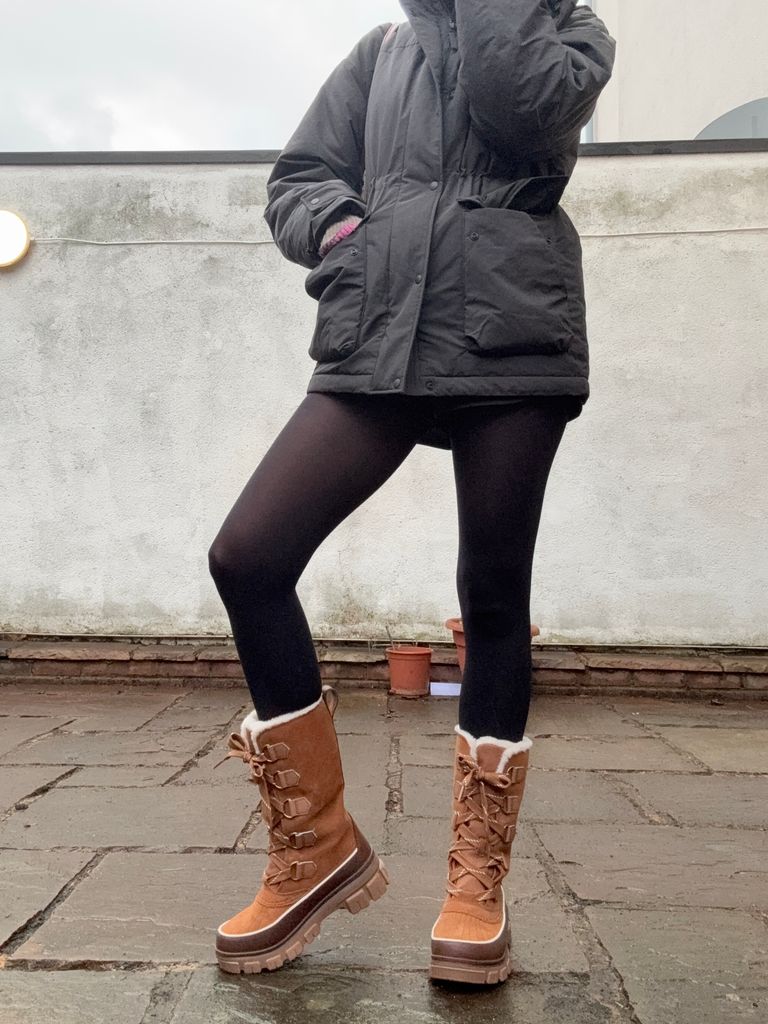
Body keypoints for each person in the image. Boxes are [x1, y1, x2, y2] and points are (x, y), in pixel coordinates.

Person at [208, 0, 615, 986]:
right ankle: (315, 848)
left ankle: (476, 886)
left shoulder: (572, 33)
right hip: (379, 332)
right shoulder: (379, 51)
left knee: (492, 594)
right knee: (248, 556)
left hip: (513, 340)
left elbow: (519, 107)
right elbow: (299, 178)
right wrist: (347, 231)